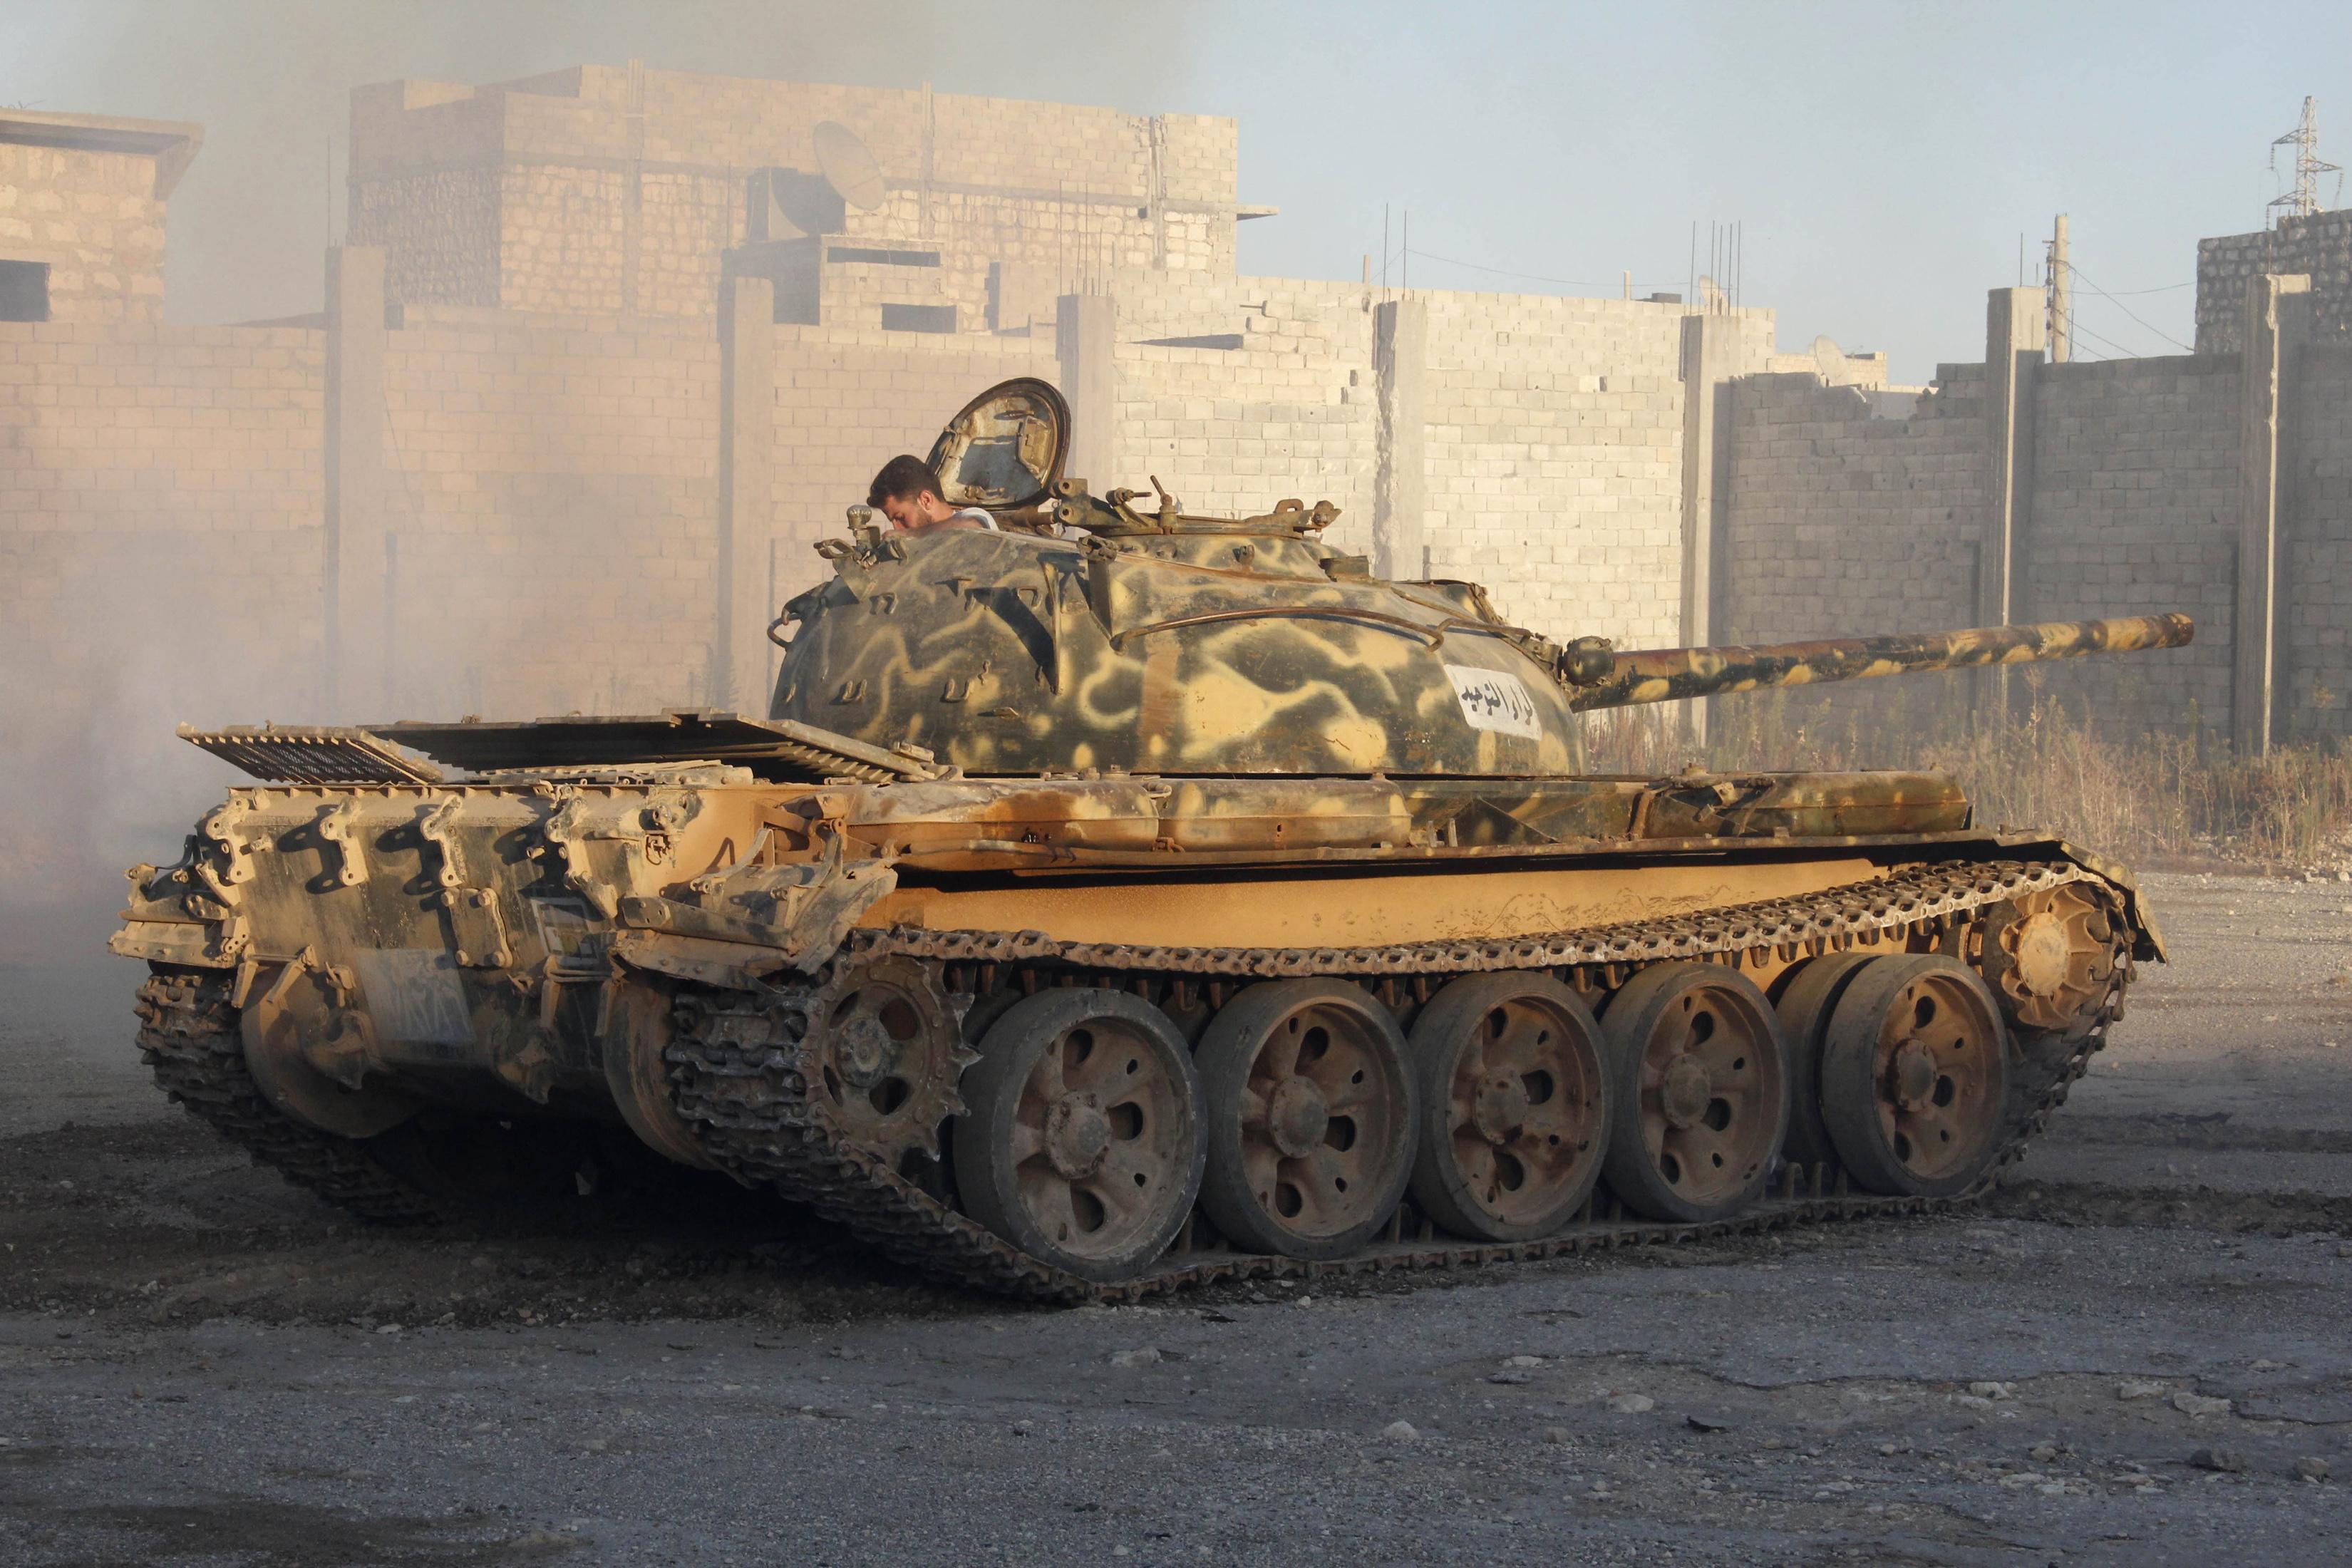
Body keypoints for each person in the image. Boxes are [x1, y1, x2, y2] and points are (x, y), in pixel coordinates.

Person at [867, 454, 999, 534]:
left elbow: (973, 527)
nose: (897, 529)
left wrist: (911, 534)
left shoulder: (973, 516)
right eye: (893, 521)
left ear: (926, 500)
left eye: (901, 517)